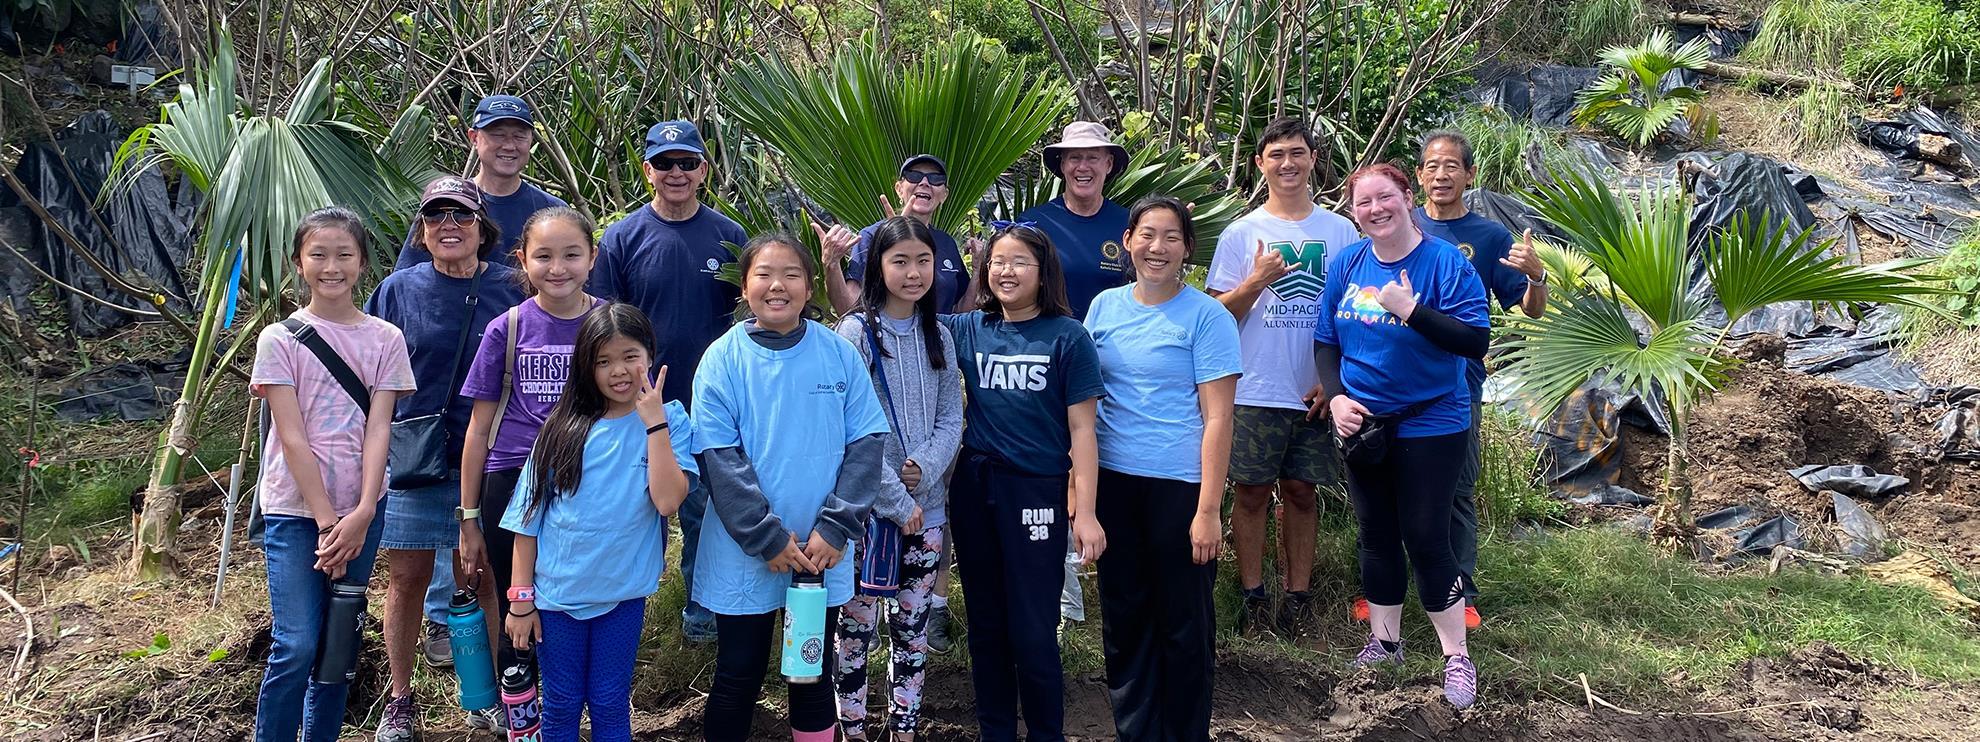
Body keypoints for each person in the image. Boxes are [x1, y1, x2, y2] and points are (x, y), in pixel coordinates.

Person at [691, 235, 897, 742]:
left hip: (821, 549)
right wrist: (766, 537)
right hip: (746, 549)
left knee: (811, 673)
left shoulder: (838, 354)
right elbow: (719, 457)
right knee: (738, 673)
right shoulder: (722, 359)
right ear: (745, 287)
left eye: (791, 274)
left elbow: (866, 442)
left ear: (810, 287)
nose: (777, 285)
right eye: (763, 274)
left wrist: (836, 526)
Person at [1316, 164, 1489, 710]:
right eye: (1363, 202)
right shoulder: (1348, 263)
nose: (1376, 209)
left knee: (1426, 536)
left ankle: (1456, 657)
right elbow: (1325, 340)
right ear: (1353, 211)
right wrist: (1336, 398)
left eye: (1385, 197)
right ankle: (1385, 643)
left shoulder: (1445, 262)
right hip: (1363, 422)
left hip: (1431, 421)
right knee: (1376, 533)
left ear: (1407, 197)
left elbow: (1475, 342)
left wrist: (1410, 310)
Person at [366, 176, 526, 740]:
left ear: (483, 228)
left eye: (461, 215)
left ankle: (491, 695)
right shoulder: (397, 290)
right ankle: (399, 701)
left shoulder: (512, 288)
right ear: (422, 229)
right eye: (435, 215)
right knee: (406, 576)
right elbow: (369, 369)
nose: (448, 225)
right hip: (417, 456)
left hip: (492, 455)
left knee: (484, 577)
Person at [251, 207, 415, 742]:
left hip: (362, 511)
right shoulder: (279, 339)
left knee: (338, 641)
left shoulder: (385, 338)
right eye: (318, 255)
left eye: (344, 254)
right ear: (298, 263)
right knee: (297, 642)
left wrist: (364, 511)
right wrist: (328, 523)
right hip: (296, 512)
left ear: (362, 262)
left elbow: (379, 429)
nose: (331, 267)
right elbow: (292, 436)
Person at [499, 303, 694, 742]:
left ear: (650, 355)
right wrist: (520, 601)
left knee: (609, 701)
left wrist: (655, 425)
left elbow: (667, 501)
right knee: (562, 703)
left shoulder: (671, 420)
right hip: (557, 598)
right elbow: (527, 523)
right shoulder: (562, 428)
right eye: (603, 361)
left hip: (622, 596)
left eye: (630, 356)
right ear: (586, 367)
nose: (618, 371)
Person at [1085, 197, 1241, 741]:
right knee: (1125, 618)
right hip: (1114, 483)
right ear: (1127, 241)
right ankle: (1136, 732)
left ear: (1188, 249)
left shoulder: (1208, 316)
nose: (1158, 247)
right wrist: (1081, 494)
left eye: (1172, 237)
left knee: (1183, 622)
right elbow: (1085, 406)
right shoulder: (1103, 308)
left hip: (1181, 487)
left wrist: (1208, 510)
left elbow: (1219, 418)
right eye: (1147, 235)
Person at [943, 223, 1106, 742]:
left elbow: (1083, 430)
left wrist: (1085, 512)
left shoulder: (1068, 336)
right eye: (997, 262)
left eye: (1019, 262)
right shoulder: (968, 328)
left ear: (1043, 271)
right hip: (976, 488)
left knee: (1034, 629)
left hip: (1037, 490)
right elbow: (893, 318)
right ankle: (994, 731)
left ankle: (1045, 733)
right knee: (986, 624)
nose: (1006, 271)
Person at [589, 119, 748, 642]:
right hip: (638, 401)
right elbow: (605, 325)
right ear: (647, 170)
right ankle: (618, 612)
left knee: (706, 513)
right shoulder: (621, 238)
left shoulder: (730, 236)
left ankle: (701, 616)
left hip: (712, 403)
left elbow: (748, 316)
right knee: (635, 510)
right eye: (664, 162)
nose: (675, 172)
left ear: (704, 169)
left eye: (686, 162)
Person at [1205, 117, 1360, 640]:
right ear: (1260, 164)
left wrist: (1335, 381)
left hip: (1315, 390)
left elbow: (1354, 316)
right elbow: (1216, 318)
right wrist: (1255, 281)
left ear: (1313, 159)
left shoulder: (1341, 232)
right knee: (1250, 493)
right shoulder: (1240, 233)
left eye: (1297, 152)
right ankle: (1252, 596)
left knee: (1301, 491)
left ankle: (1298, 598)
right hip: (1254, 387)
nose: (1287, 163)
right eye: (1276, 155)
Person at [455, 207, 607, 680]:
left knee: (576, 604)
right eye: (544, 256)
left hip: (589, 479)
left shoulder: (610, 324)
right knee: (515, 604)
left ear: (592, 258)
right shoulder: (507, 328)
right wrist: (469, 517)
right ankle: (518, 710)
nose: (558, 268)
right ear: (522, 260)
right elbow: (478, 429)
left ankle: (566, 706)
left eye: (571, 255)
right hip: (512, 478)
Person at [830, 217, 965, 741]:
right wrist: (893, 494)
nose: (913, 273)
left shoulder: (940, 334)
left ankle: (904, 728)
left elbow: (951, 416)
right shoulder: (855, 333)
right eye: (900, 261)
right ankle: (853, 729)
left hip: (926, 513)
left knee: (911, 632)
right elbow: (846, 427)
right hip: (866, 519)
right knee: (855, 632)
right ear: (877, 267)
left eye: (923, 261)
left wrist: (925, 467)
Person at [1413, 130, 1547, 628]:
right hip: (1394, 382)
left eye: (1451, 166)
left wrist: (1536, 277)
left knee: (1456, 491)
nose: (1441, 174)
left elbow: (1531, 310)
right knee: (1393, 488)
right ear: (1419, 175)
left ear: (1469, 175)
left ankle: (1460, 591)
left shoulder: (1489, 237)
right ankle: (1389, 586)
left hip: (1458, 384)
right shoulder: (1401, 223)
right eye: (1432, 165)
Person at [1017, 120, 1133, 632]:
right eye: (1073, 158)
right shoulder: (1035, 224)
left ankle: (1115, 579)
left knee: (1109, 468)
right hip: (1047, 366)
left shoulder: (1128, 225)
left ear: (1109, 164)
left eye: (1093, 157)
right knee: (1055, 472)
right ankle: (1065, 597)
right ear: (1061, 165)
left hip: (1117, 369)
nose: (1083, 166)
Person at [395, 95, 567, 271]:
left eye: (519, 136)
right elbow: (409, 278)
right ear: (474, 138)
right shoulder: (444, 203)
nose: (509, 146)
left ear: (531, 140)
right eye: (498, 135)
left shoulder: (552, 210)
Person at [822, 155, 978, 315]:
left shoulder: (946, 242)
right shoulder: (871, 236)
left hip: (938, 331)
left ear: (944, 194)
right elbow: (848, 310)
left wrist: (978, 269)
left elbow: (961, 312)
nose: (925, 183)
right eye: (914, 176)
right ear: (899, 189)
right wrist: (831, 264)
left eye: (936, 179)